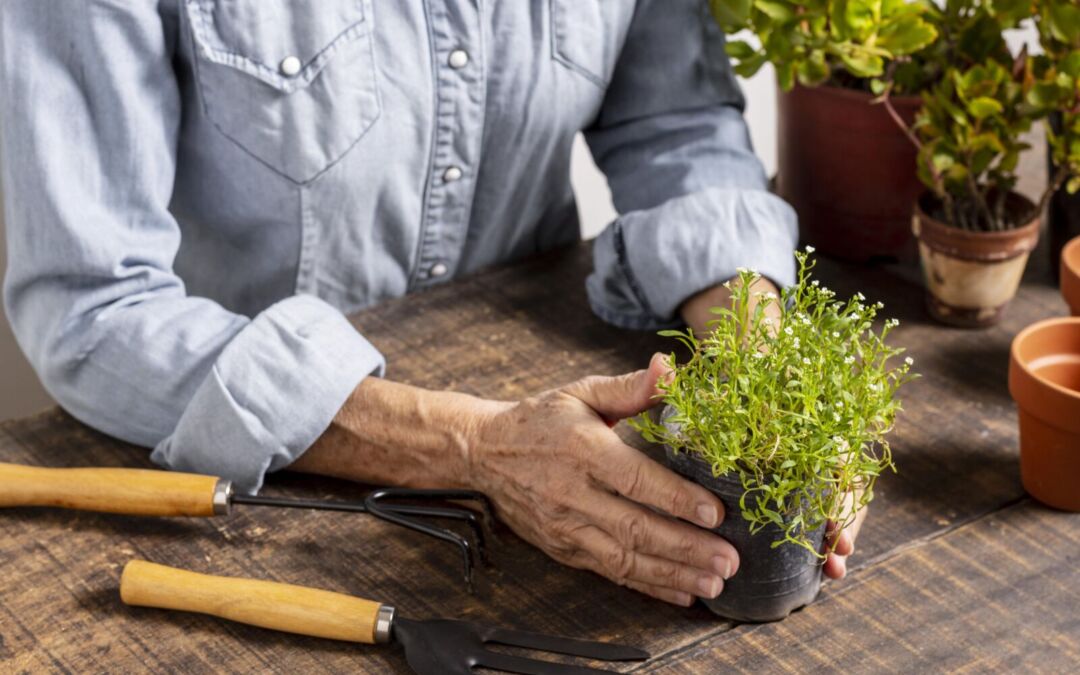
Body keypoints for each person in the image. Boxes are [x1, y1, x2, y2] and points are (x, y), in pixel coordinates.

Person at [0, 0, 862, 607]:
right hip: (240, 484)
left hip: (557, 417)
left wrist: (767, 368)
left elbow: (672, 121)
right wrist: (477, 446)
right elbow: (91, 306)